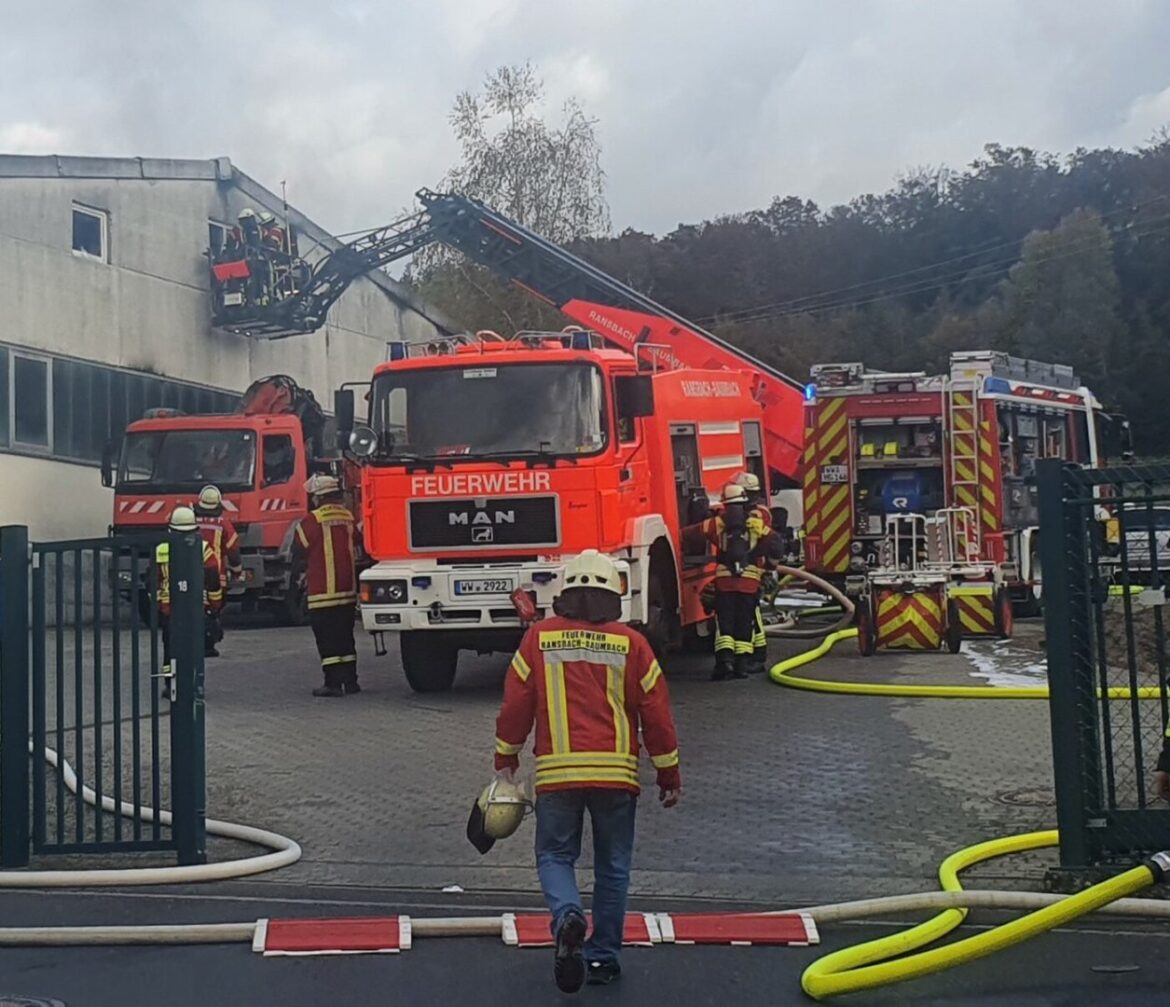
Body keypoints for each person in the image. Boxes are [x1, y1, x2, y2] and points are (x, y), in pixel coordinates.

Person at [493, 550, 681, 992]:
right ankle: (603, 958)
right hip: (617, 777)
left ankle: (567, 916)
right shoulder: (632, 644)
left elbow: (516, 705)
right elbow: (657, 715)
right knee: (613, 868)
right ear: (611, 594)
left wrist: (506, 756)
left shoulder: (538, 639)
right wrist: (668, 773)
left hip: (558, 775)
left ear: (566, 593)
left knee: (555, 856)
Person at [691, 483, 780, 680]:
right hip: (749, 583)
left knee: (725, 625)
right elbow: (775, 544)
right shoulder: (757, 522)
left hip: (725, 583)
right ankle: (742, 666)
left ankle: (725, 664)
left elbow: (691, 534)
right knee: (744, 623)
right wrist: (770, 568)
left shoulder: (718, 523)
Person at [293, 474, 359, 697]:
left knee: (327, 640)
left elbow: (298, 548)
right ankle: (351, 681)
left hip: (322, 593)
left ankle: (332, 683)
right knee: (345, 637)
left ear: (318, 497)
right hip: (347, 590)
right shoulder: (348, 516)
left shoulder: (312, 520)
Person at [149, 506, 221, 694]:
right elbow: (213, 577)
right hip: (196, 607)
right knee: (195, 648)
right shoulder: (204, 549)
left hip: (169, 609)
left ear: (170, 529)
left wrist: (157, 604)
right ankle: (196, 684)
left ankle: (170, 686)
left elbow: (152, 580)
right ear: (195, 529)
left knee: (170, 648)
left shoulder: (161, 549)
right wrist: (215, 605)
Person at [195, 485, 242, 657]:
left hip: (191, 573)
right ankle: (208, 644)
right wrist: (237, 571)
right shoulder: (223, 524)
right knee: (213, 610)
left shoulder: (191, 522)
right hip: (215, 575)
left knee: (194, 608)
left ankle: (195, 641)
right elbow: (233, 550)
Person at [734, 471, 773, 675]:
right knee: (752, 612)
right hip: (755, 568)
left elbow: (759, 541)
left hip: (755, 569)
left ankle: (758, 656)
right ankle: (756, 654)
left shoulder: (757, 515)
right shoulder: (756, 512)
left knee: (753, 614)